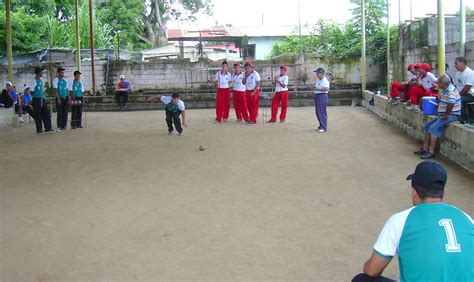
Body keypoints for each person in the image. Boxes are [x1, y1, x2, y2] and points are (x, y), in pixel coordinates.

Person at [353, 161, 473, 282]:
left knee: (361, 279)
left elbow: (372, 270)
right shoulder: (467, 218)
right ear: (443, 192)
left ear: (414, 192)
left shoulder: (400, 220)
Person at [414, 74, 461, 159]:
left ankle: (431, 151)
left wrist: (446, 114)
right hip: (444, 114)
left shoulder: (451, 91)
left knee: (433, 128)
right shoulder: (444, 89)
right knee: (428, 126)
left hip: (452, 115)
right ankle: (425, 149)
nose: (437, 84)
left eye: (439, 83)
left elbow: (451, 103)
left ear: (444, 84)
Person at [30, 66, 54, 134]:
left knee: (46, 113)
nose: (42, 73)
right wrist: (36, 96)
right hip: (36, 99)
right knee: (38, 115)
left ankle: (48, 128)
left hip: (41, 99)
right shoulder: (34, 81)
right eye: (41, 72)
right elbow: (31, 91)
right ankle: (39, 130)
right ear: (38, 73)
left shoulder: (41, 80)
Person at [454, 57, 474, 123]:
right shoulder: (457, 74)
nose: (455, 66)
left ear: (462, 63)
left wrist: (457, 96)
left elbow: (467, 88)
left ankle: (463, 119)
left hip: (470, 95)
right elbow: (455, 86)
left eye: (456, 63)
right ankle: (455, 117)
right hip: (462, 94)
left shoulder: (470, 73)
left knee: (459, 100)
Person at [313, 67, 330, 133]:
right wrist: (315, 88)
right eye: (316, 73)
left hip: (322, 96)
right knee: (318, 112)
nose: (316, 74)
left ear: (322, 73)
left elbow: (326, 89)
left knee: (322, 112)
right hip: (318, 96)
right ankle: (321, 126)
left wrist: (317, 89)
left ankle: (324, 127)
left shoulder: (324, 80)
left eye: (318, 73)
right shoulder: (318, 80)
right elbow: (318, 88)